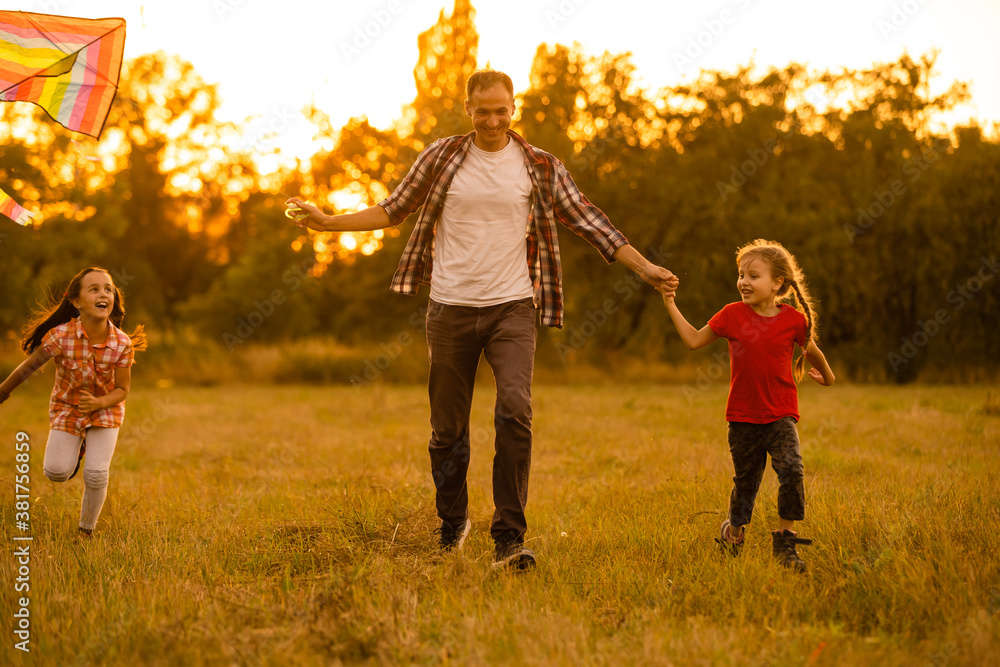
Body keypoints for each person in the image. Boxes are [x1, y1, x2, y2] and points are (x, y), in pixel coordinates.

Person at [286, 69, 678, 571]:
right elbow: (392, 209)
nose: (492, 120)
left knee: (515, 411)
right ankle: (453, 523)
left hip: (512, 307)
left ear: (514, 108)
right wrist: (328, 222)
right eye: (482, 110)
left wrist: (645, 268)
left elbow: (590, 220)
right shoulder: (443, 156)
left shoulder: (539, 165)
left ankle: (509, 539)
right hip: (449, 309)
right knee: (446, 431)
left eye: (501, 110)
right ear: (467, 109)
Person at [659, 239, 835, 572]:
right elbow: (694, 340)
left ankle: (785, 542)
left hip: (781, 414)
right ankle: (734, 532)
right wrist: (670, 303)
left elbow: (813, 351)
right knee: (746, 483)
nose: (743, 281)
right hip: (742, 418)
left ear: (777, 283)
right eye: (741, 274)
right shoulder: (732, 315)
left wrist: (828, 376)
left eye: (753, 276)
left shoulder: (793, 321)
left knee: (792, 470)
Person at [0, 267, 147, 537]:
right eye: (94, 289)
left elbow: (122, 390)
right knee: (55, 472)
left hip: (106, 412)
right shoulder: (61, 336)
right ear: (76, 302)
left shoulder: (122, 343)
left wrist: (100, 404)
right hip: (67, 408)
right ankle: (79, 448)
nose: (104, 294)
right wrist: (3, 391)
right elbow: (27, 367)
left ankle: (86, 530)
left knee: (96, 474)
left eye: (108, 289)